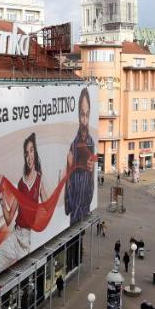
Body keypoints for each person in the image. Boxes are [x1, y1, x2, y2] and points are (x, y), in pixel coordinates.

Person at [0, 134, 48, 277]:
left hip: (25, 242)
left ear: (35, 152)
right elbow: (9, 218)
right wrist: (2, 200)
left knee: (25, 279)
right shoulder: (21, 183)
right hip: (15, 236)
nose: (29, 155)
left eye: (32, 150)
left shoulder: (39, 179)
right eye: (26, 152)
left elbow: (46, 207)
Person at [64, 88, 97, 224]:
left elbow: (91, 191)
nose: (85, 120)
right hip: (73, 216)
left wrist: (92, 169)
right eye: (82, 115)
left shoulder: (91, 143)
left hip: (85, 211)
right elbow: (67, 204)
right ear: (78, 115)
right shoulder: (72, 145)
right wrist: (68, 167)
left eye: (87, 115)